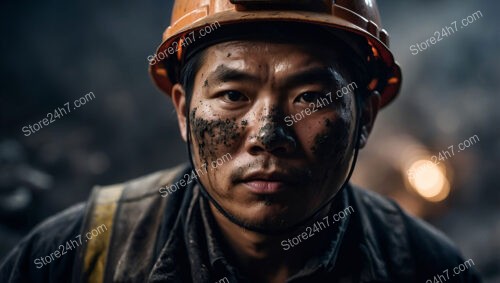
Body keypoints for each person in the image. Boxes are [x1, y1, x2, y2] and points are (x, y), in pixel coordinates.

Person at [0, 0, 482, 282]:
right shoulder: (77, 257)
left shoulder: (426, 268)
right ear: (184, 111)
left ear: (365, 119)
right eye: (233, 95)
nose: (269, 136)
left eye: (310, 97)